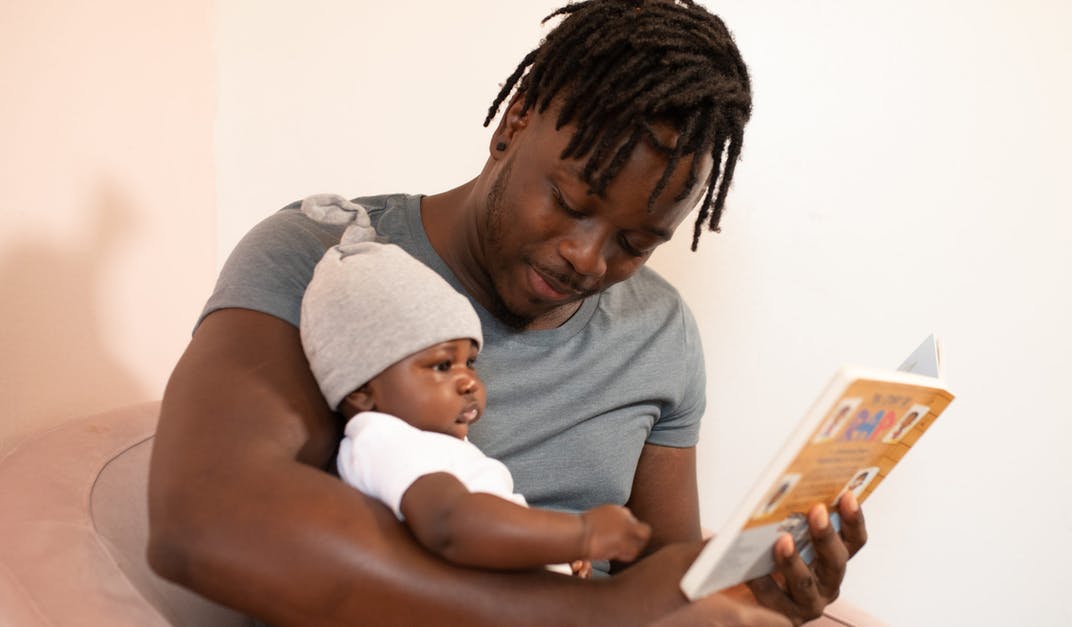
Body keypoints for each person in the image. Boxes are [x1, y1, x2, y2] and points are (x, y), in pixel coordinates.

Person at [147, 1, 868, 624]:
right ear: (514, 124)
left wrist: (758, 588)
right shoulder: (327, 260)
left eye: (636, 243)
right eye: (572, 202)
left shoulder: (660, 331)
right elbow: (204, 519)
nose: (589, 259)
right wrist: (596, 617)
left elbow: (659, 568)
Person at [298, 193, 649, 577]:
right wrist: (577, 534)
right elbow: (451, 525)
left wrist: (548, 557)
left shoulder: (431, 443)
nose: (467, 380)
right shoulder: (382, 441)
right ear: (362, 389)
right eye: (442, 365)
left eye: (470, 362)